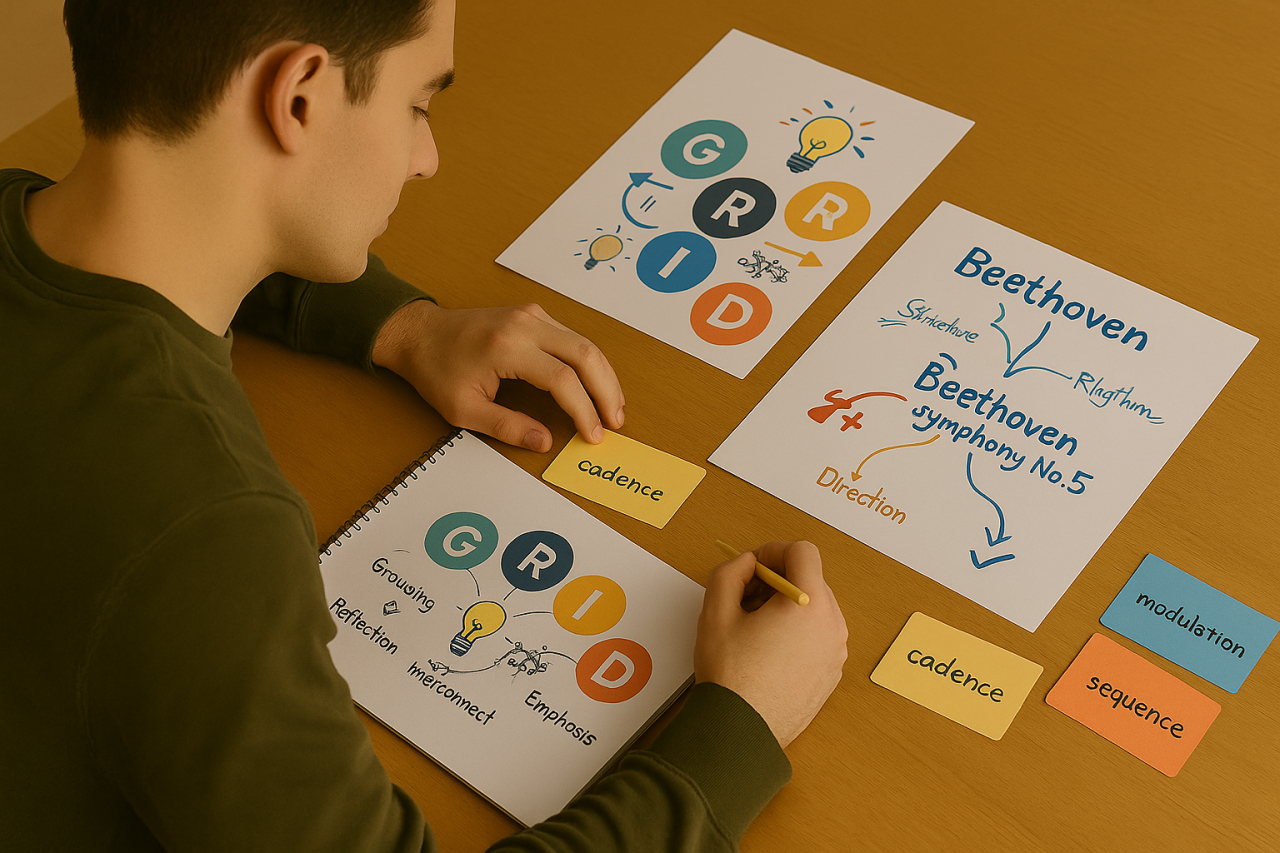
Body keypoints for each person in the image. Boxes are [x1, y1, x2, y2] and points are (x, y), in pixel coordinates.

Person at [0, 1, 849, 850]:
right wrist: (737, 727)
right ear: (298, 96)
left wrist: (403, 328)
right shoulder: (206, 533)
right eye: (419, 104)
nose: (426, 159)